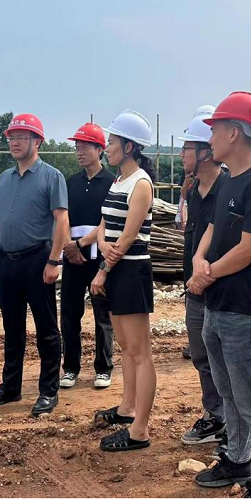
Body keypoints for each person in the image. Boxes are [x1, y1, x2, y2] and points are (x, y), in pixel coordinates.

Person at [187, 92, 251, 498]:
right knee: (229, 393)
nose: (209, 137)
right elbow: (212, 228)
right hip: (218, 306)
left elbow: (249, 249)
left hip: (244, 312)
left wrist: (205, 275)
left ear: (234, 132)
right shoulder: (229, 179)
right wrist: (198, 259)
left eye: (214, 129)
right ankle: (239, 458)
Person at [0, 113, 69, 416]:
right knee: (12, 327)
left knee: (46, 328)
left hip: (38, 261)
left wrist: (54, 260)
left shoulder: (51, 176)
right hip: (7, 261)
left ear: (37, 141)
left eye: (22, 137)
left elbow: (61, 220)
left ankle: (48, 390)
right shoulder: (5, 178)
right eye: (12, 138)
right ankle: (10, 387)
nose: (15, 143)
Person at [90, 109, 157, 453]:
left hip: (130, 272)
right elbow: (105, 224)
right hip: (116, 269)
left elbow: (128, 238)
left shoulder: (141, 184)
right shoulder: (119, 181)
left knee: (140, 352)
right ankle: (127, 408)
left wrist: (102, 269)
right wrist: (101, 244)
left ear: (129, 146)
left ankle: (140, 430)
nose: (108, 147)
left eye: (112, 141)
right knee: (127, 349)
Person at [177, 107, 227, 446]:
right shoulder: (194, 192)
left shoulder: (229, 189)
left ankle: (233, 423)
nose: (182, 154)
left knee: (225, 361)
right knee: (201, 357)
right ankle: (215, 416)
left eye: (187, 148)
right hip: (194, 289)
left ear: (206, 152)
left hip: (220, 290)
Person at [60, 122, 116, 390]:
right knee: (70, 314)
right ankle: (70, 367)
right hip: (72, 257)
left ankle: (103, 368)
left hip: (98, 257)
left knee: (103, 315)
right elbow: (62, 219)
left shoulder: (112, 183)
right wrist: (69, 248)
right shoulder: (70, 182)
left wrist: (82, 245)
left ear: (100, 149)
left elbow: (108, 222)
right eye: (77, 147)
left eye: (85, 147)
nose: (80, 152)